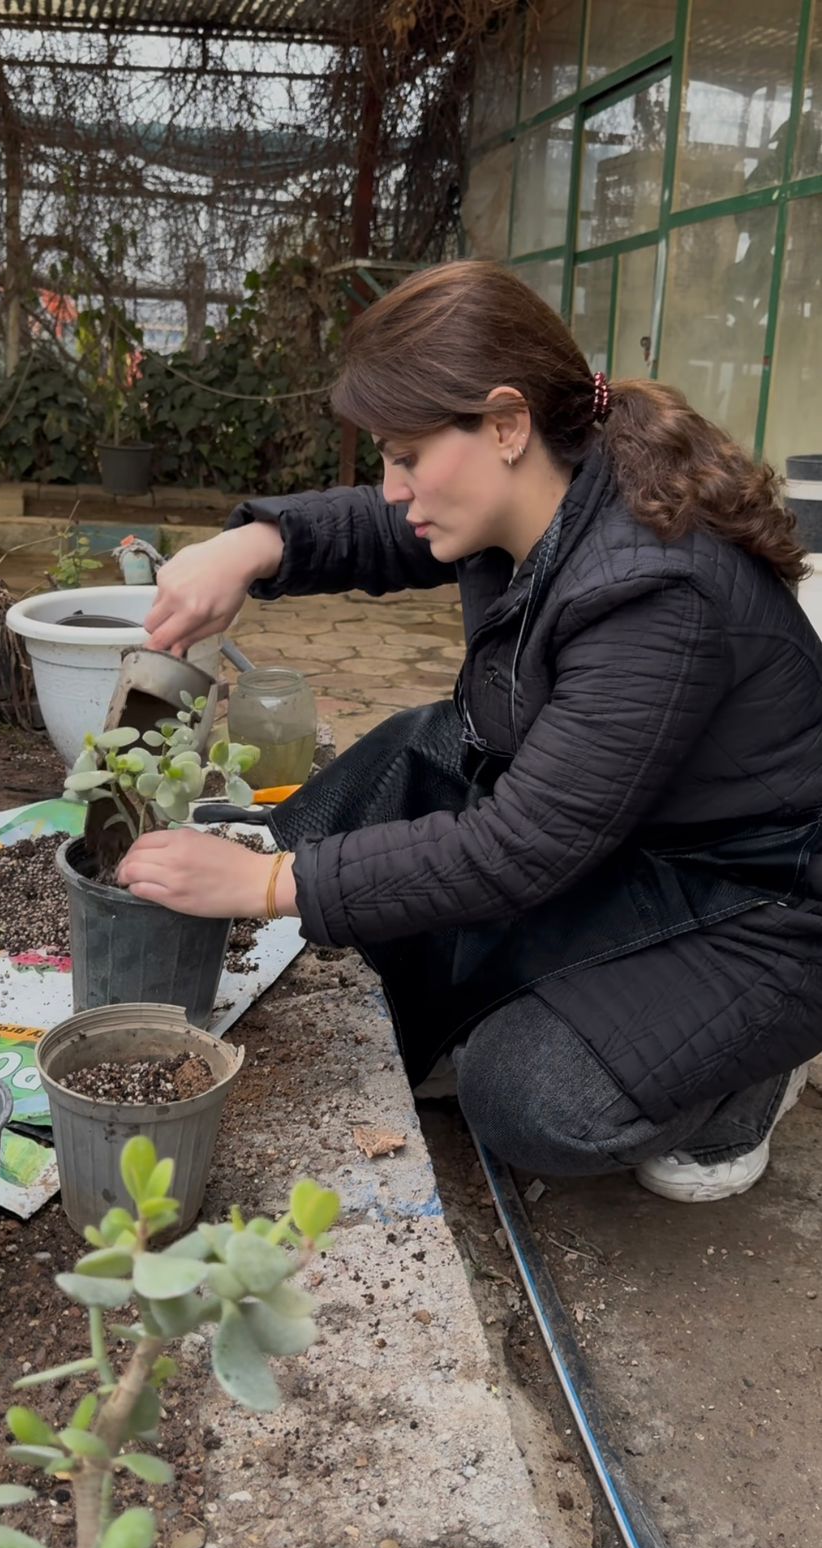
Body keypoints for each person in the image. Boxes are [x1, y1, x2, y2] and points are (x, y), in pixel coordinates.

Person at [118, 260, 822, 1204]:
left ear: (505, 422)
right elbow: (384, 525)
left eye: (406, 454)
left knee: (527, 1094)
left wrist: (271, 882)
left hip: (761, 903)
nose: (394, 483)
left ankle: (744, 1087)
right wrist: (252, 545)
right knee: (418, 748)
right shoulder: (548, 487)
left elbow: (525, 844)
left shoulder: (656, 590)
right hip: (635, 830)